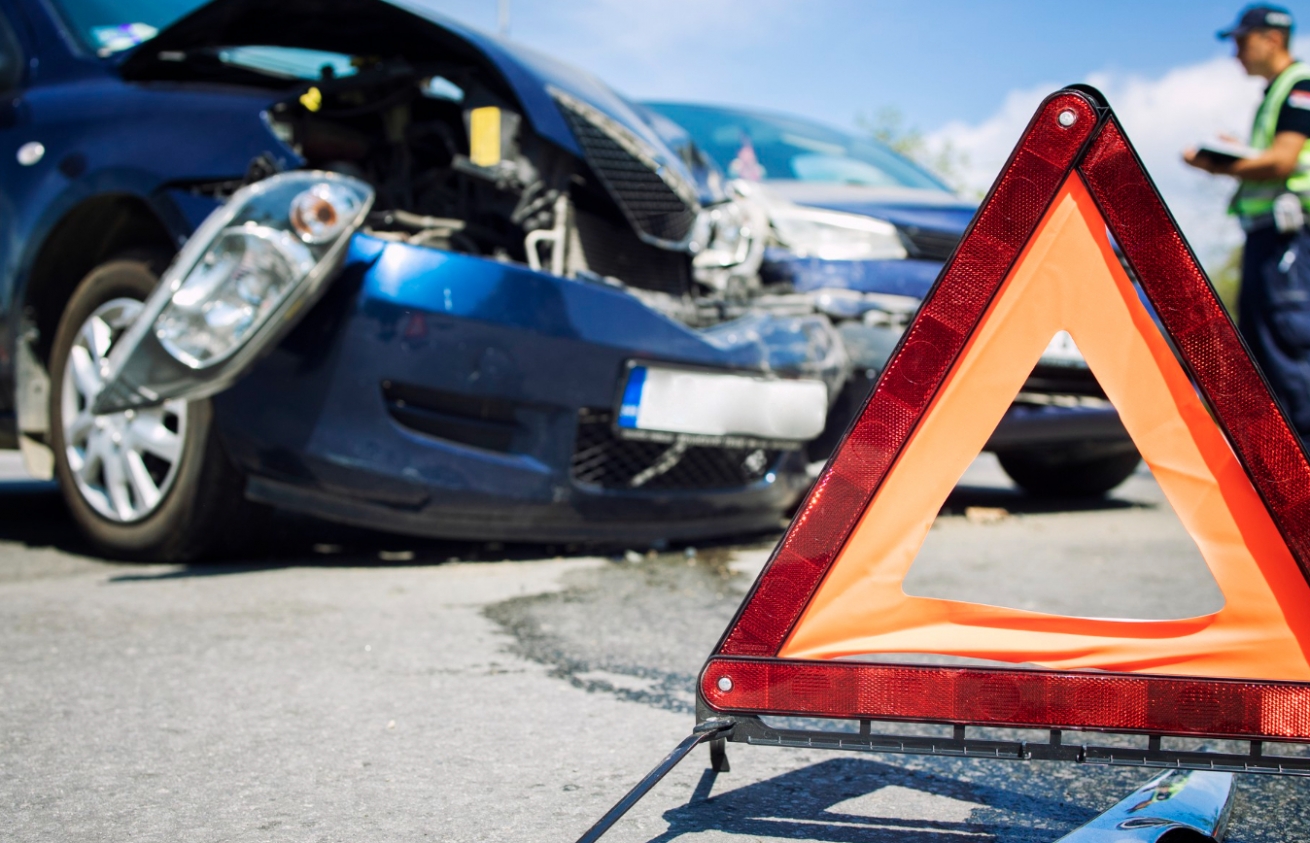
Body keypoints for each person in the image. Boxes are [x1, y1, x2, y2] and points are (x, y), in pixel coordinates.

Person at [1185, 4, 1310, 441]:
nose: (1236, 53)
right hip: (1271, 240)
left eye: (1241, 41)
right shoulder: (1277, 92)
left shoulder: (1299, 87)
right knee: (1267, 347)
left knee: (1288, 348)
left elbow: (1282, 161)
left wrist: (1217, 165)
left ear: (1271, 39)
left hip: (1290, 241)